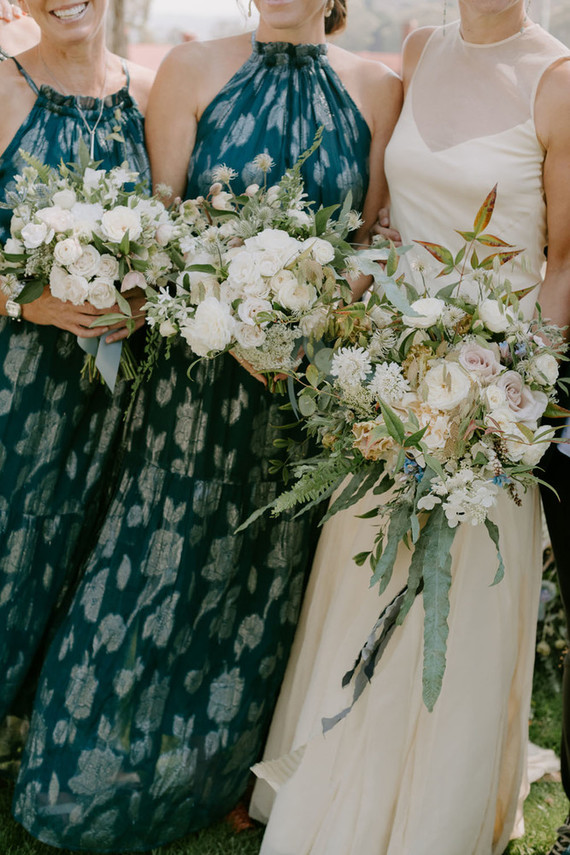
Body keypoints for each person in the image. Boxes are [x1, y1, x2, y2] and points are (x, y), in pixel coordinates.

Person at [9, 0, 402, 850]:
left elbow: (372, 237)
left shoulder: (377, 87)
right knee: (155, 558)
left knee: (259, 574)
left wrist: (314, 325)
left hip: (302, 393)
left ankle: (214, 770)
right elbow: (161, 227)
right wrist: (232, 311)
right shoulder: (191, 73)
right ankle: (84, 766)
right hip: (192, 379)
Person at [250, 3, 570, 854]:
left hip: (485, 393)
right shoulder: (422, 47)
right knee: (366, 580)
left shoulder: (558, 82)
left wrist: (511, 399)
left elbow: (565, 262)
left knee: (456, 608)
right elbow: (384, 216)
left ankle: (433, 814)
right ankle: (340, 784)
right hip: (389, 375)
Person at [0, 0, 152, 792]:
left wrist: (143, 293)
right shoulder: (3, 88)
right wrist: (24, 299)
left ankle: (37, 738)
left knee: (73, 554)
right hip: (11, 386)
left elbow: (174, 235)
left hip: (109, 395)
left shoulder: (147, 96)